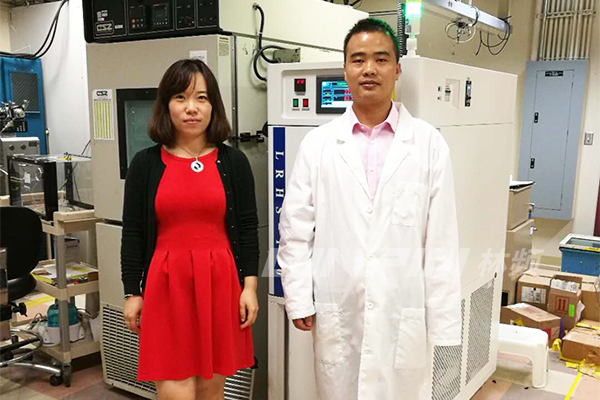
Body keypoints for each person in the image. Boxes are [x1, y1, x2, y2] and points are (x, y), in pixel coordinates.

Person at [277, 18, 462, 400]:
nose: (369, 69)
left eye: (381, 59)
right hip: (338, 303)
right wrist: (298, 297)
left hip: (402, 307)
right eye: (358, 59)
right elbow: (295, 230)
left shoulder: (428, 144)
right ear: (345, 70)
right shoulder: (317, 145)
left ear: (397, 69)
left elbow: (441, 242)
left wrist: (443, 323)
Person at [121, 59, 259, 400]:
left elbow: (247, 228)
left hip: (220, 282)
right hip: (167, 286)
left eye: (201, 97)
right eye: (180, 97)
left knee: (211, 389)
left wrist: (250, 287)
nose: (191, 108)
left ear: (214, 106)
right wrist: (132, 292)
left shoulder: (234, 162)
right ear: (166, 105)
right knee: (175, 387)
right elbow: (133, 233)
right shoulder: (145, 163)